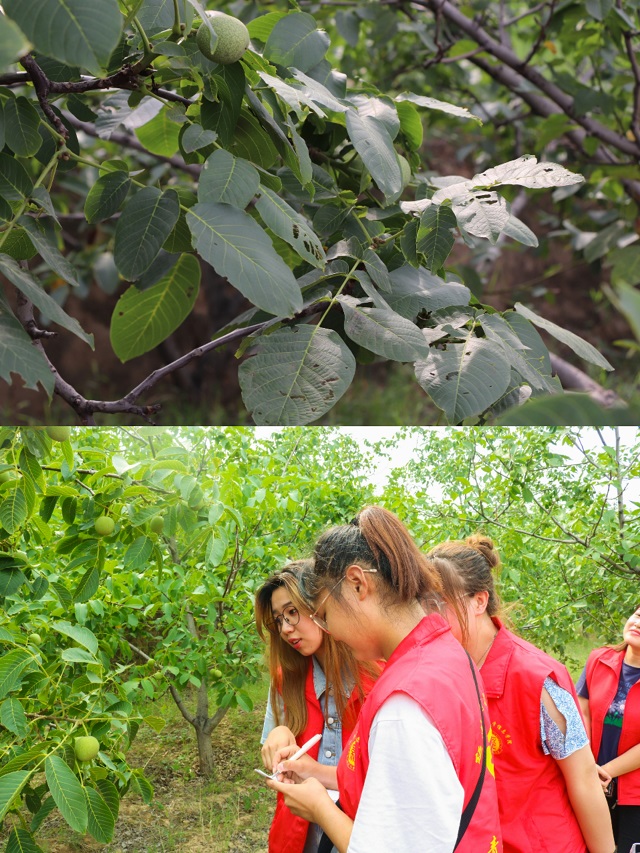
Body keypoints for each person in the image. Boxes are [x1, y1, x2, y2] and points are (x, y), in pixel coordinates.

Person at [265, 507, 502, 853]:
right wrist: (316, 773)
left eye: (326, 616)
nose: (331, 632)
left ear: (358, 584)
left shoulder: (403, 707)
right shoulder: (447, 654)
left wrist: (319, 808)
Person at [427, 534, 614, 853]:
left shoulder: (538, 679)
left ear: (479, 601)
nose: (428, 615)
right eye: (423, 602)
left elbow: (583, 778)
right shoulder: (439, 671)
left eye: (440, 603)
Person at [255, 561, 379, 853]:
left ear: (321, 605)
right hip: (299, 840)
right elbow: (278, 759)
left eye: (292, 612)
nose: (286, 628)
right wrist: (277, 736)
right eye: (279, 619)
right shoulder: (287, 679)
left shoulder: (379, 679)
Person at [576, 604, 640, 853]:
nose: (637, 623)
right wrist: (586, 764)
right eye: (636, 614)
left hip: (633, 794)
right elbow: (581, 711)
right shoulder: (599, 659)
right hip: (589, 779)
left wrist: (603, 772)